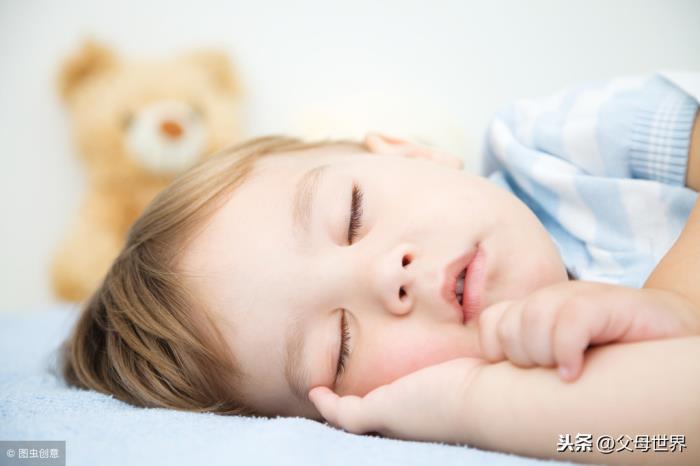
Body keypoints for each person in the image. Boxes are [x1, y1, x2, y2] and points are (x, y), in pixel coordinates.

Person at [60, 72, 700, 465]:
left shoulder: (555, 147)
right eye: (339, 346)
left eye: (353, 215)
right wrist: (469, 402)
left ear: (410, 152)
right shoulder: (534, 402)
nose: (385, 277)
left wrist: (677, 304)